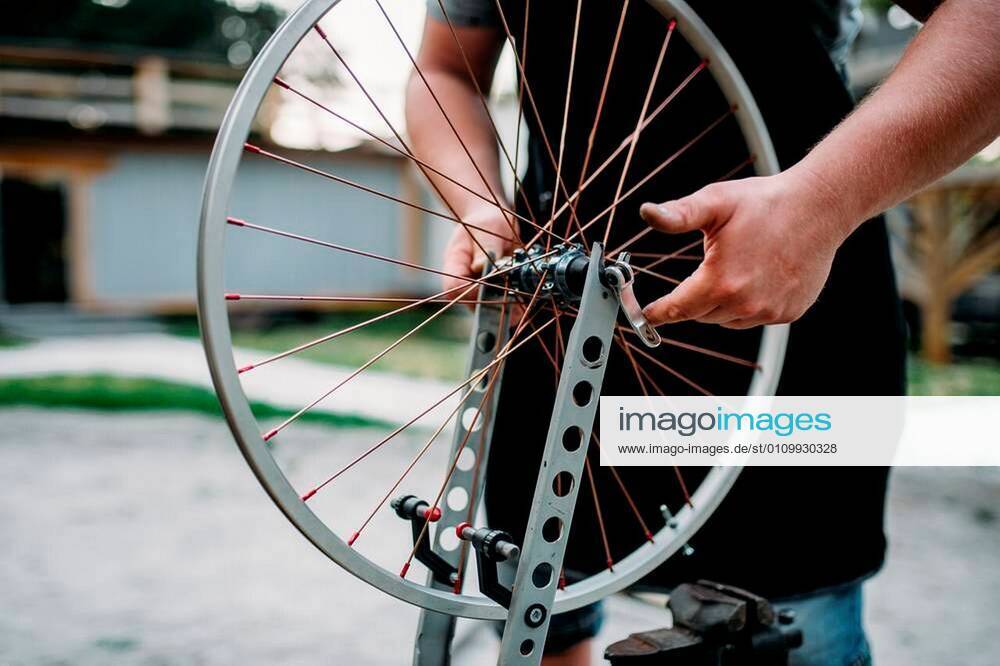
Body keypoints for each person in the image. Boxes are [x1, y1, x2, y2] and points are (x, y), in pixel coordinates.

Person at [405, 1, 1000, 664]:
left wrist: (821, 201)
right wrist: (479, 205)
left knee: (796, 625)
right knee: (541, 615)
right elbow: (444, 68)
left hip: (792, 317)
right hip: (561, 319)